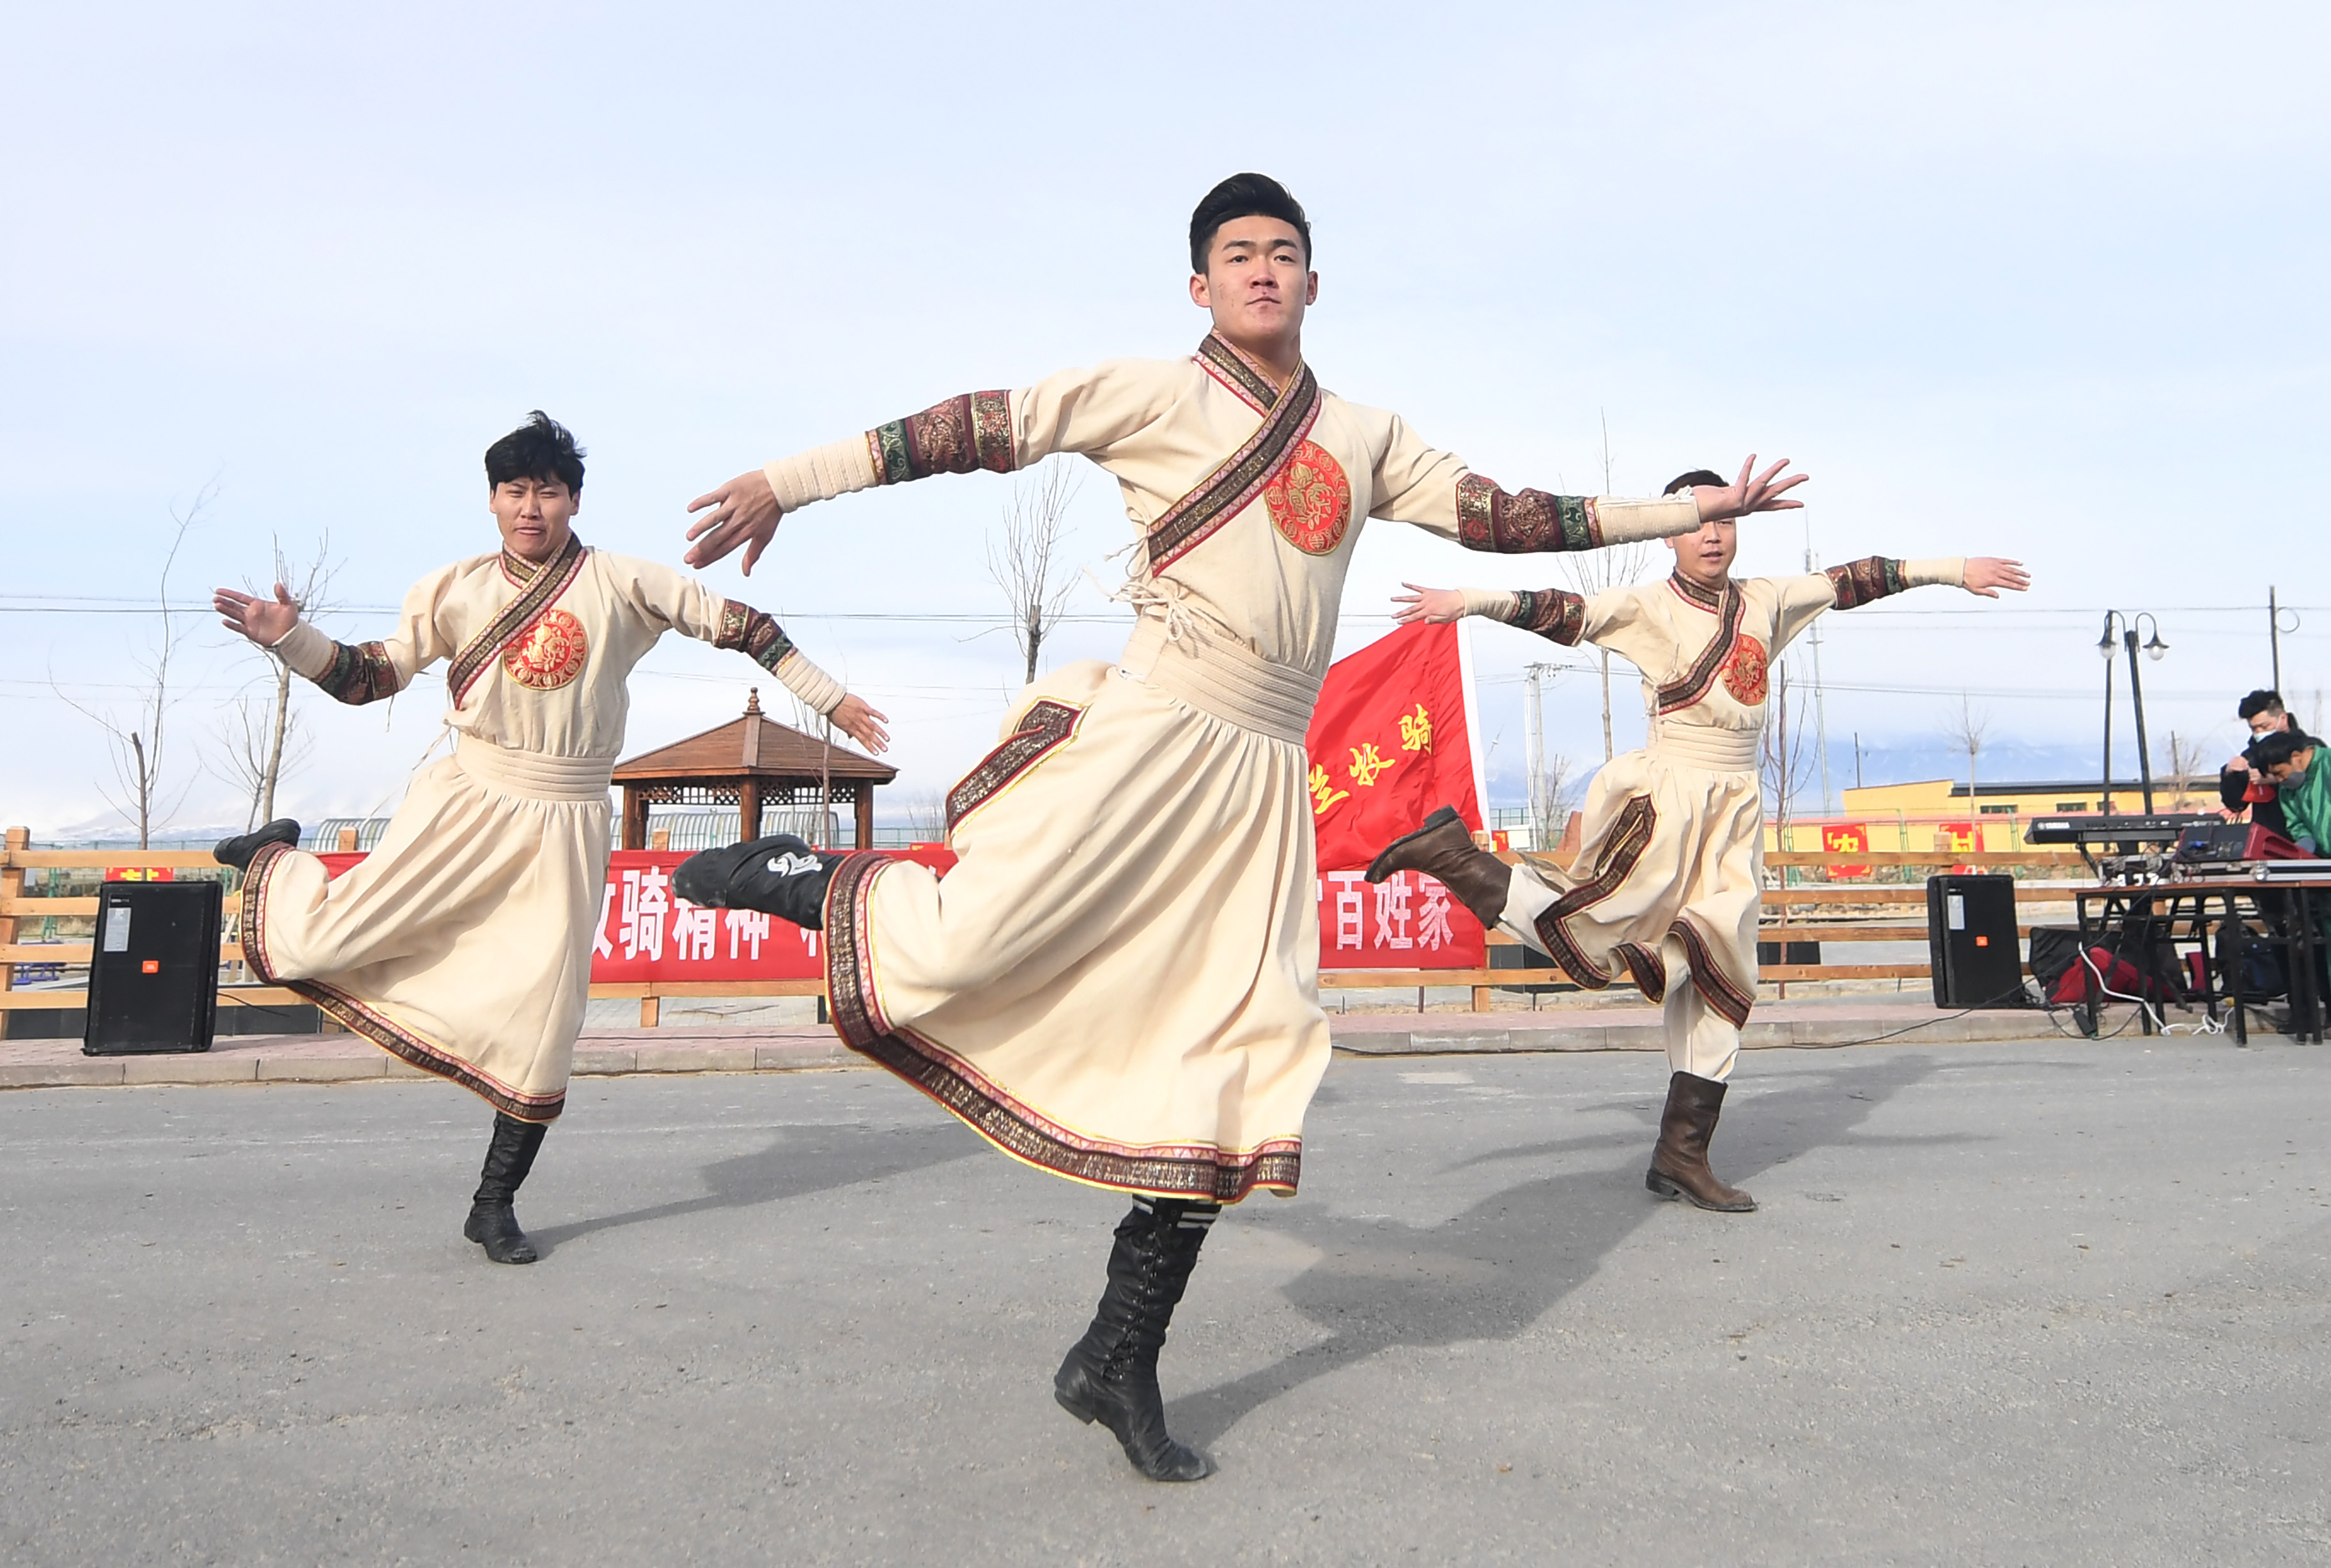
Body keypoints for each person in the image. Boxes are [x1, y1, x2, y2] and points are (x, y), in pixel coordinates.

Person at [670, 174, 1808, 1482]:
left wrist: (1686, 513)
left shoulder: (1363, 434)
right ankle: (804, 876)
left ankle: (1117, 1353)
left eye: (1281, 253)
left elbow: (1506, 518)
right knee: (968, 939)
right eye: (1236, 254)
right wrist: (789, 482)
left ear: (1313, 283)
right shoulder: (1149, 395)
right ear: (1199, 284)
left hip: (1265, 770)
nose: (1261, 270)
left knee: (1240, 1056)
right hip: (1156, 729)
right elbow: (979, 426)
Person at [208, 413, 887, 1266]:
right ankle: (273, 859)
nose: (531, 507)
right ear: (493, 501)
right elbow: (369, 677)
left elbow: (742, 625)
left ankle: (493, 1204)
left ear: (573, 500)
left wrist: (829, 699)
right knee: (326, 939)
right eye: (515, 490)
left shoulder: (622, 582)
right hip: (467, 802)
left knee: (544, 1019)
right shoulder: (452, 590)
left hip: (567, 818)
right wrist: (292, 640)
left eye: (549, 491)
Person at [1365, 470, 2028, 1213]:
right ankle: (1454, 857)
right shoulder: (1647, 608)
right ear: (1669, 535)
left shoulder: (1766, 601)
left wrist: (1953, 570)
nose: (1711, 537)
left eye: (1724, 523)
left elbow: (1855, 579)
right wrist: (1468, 600)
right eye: (1696, 524)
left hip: (1735, 808)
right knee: (1592, 936)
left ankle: (1680, 1155)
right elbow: (1561, 611)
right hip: (1670, 798)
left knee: (1722, 969)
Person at [2220, 689, 2295, 835]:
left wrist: (2274, 779)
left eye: (2265, 727)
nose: (2259, 733)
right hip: (2266, 837)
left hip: (2304, 839)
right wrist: (2231, 775)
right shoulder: (2251, 756)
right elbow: (2236, 805)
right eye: (2254, 728)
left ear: (2283, 719)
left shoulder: (2307, 748)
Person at [2252, 729, 2325, 852]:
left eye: (2279, 773)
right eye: (2274, 776)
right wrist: (2305, 844)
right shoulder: (2286, 790)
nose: (2279, 780)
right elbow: (2297, 825)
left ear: (2296, 757)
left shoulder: (2327, 765)